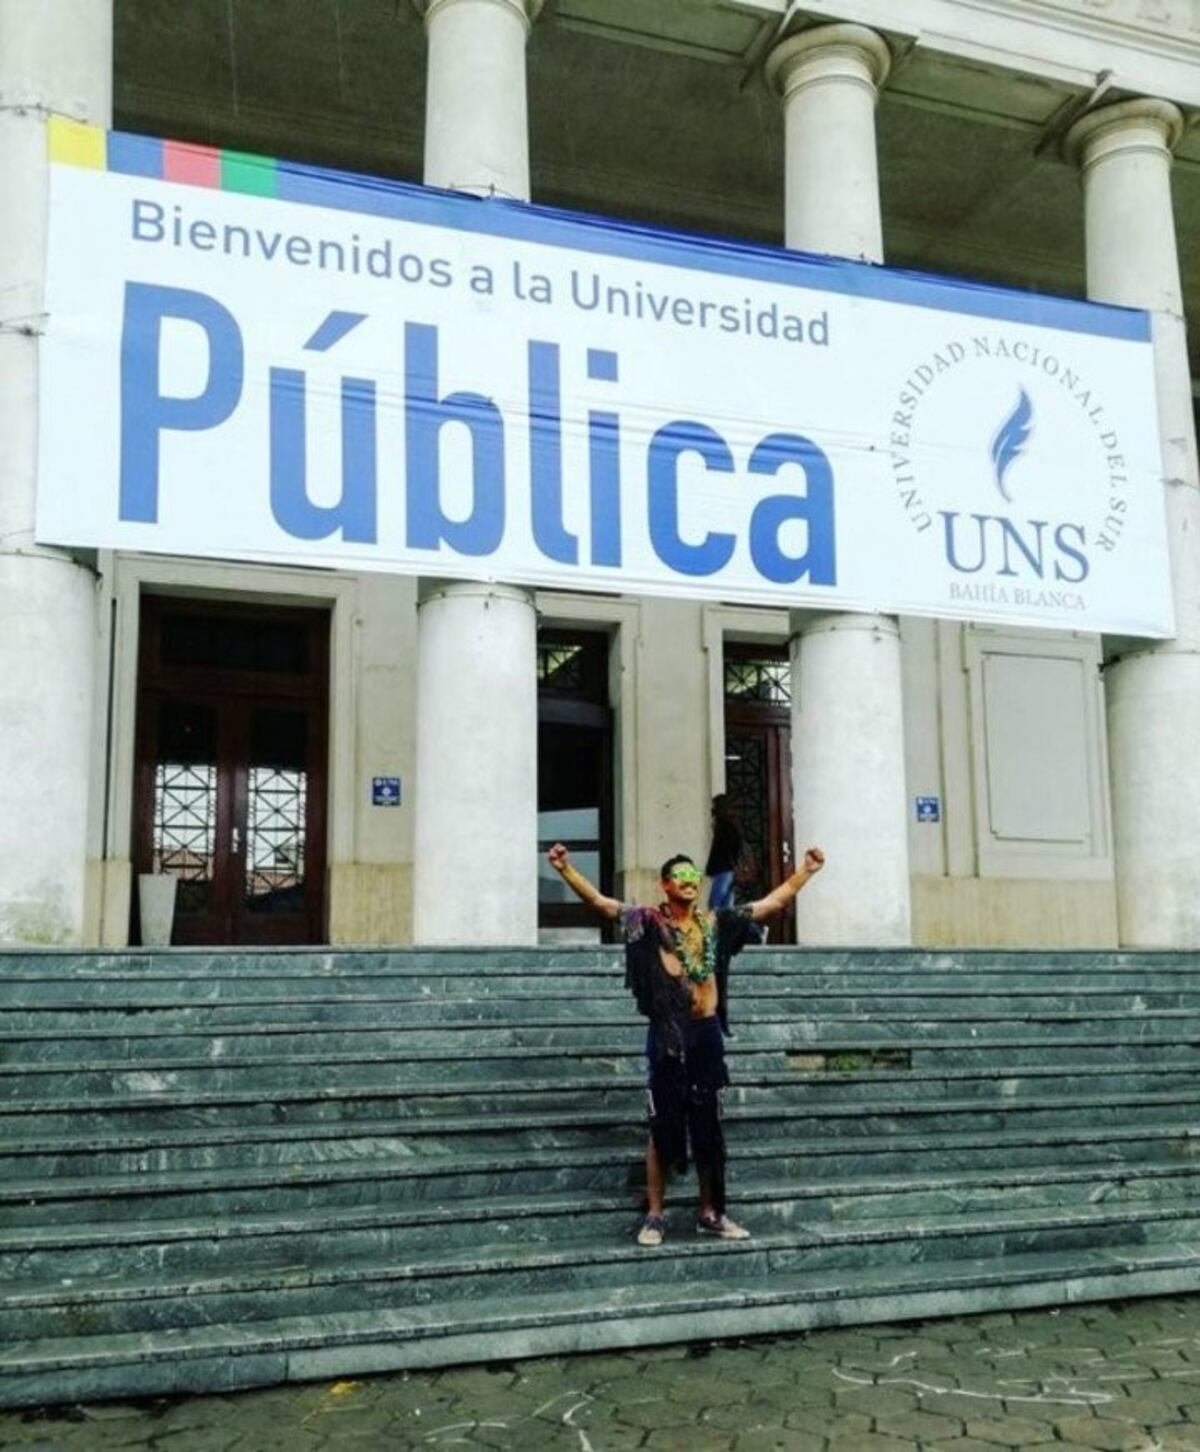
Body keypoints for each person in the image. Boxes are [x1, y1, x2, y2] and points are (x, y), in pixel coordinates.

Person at [546, 839, 825, 1247]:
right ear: (665, 885)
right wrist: (565, 870)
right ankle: (655, 1215)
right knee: (662, 1126)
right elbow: (604, 905)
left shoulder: (715, 924)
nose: (690, 881)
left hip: (707, 1033)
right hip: (668, 1035)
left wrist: (806, 872)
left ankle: (710, 1212)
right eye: (681, 877)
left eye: (694, 875)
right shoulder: (650, 924)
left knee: (709, 1125)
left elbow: (769, 905)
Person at [704, 794, 743, 910]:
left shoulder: (724, 827)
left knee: (714, 905)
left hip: (723, 870)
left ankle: (715, 927)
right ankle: (726, 927)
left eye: (715, 806)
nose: (712, 809)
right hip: (729, 870)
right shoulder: (733, 825)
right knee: (726, 907)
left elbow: (724, 849)